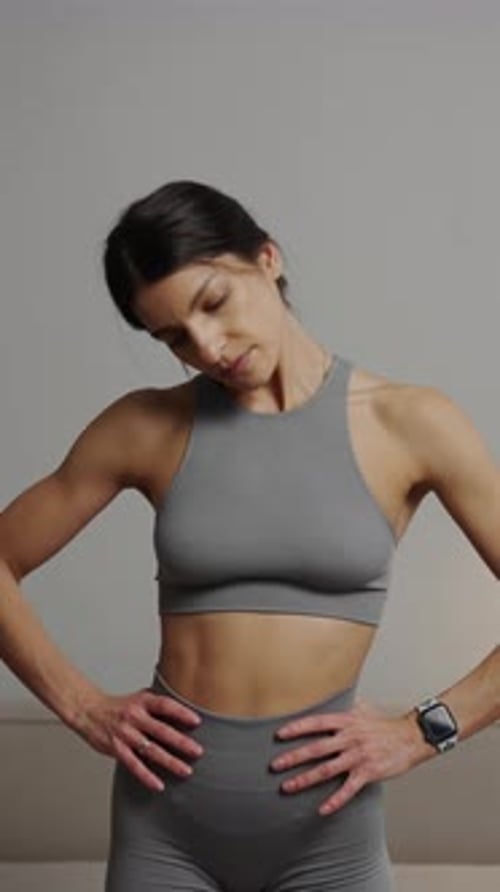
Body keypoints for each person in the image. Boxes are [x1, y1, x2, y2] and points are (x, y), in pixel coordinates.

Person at [1, 179, 499, 892]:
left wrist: (425, 731)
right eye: (172, 336)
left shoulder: (410, 422)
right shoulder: (144, 427)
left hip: (330, 836)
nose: (207, 346)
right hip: (166, 829)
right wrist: (81, 706)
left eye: (212, 303)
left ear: (266, 259)